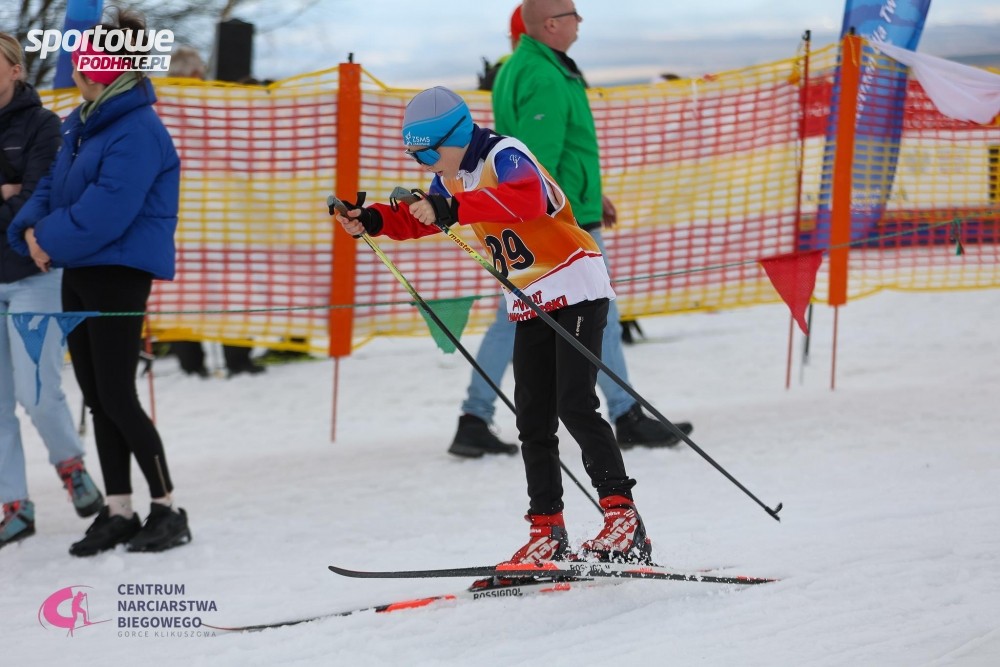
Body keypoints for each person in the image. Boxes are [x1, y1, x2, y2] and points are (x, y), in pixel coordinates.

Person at [334, 86, 654, 564]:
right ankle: (547, 528)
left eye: (427, 154)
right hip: (529, 298)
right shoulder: (452, 177)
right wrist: (373, 219)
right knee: (532, 417)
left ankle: (622, 518)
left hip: (574, 284)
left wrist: (451, 208)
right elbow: (420, 219)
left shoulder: (504, 154)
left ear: (456, 136)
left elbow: (525, 199)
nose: (424, 165)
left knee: (574, 403)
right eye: (415, 156)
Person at [449, 0, 693, 458]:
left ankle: (474, 417)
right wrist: (569, 214)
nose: (580, 22)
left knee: (513, 321)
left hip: (545, 214)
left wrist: (590, 194)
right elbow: (538, 161)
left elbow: (539, 157)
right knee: (600, 316)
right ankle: (626, 413)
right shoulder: (543, 75)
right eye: (574, 14)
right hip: (560, 222)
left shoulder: (526, 68)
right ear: (551, 24)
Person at [8, 9, 192, 556]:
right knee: (96, 396)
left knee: (117, 394)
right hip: (81, 268)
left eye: (81, 68)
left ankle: (167, 508)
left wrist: (45, 241)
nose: (74, 75)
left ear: (104, 72)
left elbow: (107, 211)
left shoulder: (138, 130)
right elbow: (51, 187)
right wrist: (29, 232)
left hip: (118, 272)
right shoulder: (82, 121)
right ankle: (119, 509)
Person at [0, 32, 104, 549]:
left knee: (36, 392)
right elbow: (15, 200)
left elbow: (39, 200)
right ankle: (14, 503)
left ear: (15, 70)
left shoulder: (42, 124)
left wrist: (15, 200)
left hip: (34, 276)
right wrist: (7, 193)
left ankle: (70, 466)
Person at [165, 47, 266, 378]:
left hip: (175, 214)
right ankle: (237, 359)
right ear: (197, 73)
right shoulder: (214, 103)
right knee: (233, 286)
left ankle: (190, 364)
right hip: (220, 212)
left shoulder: (157, 106)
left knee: (182, 289)